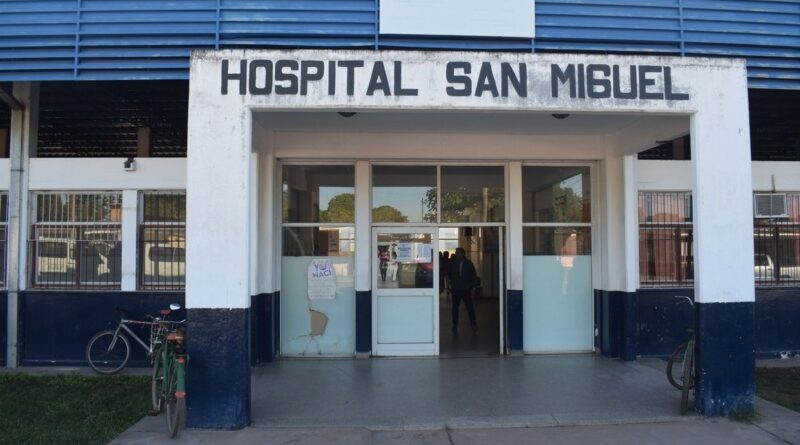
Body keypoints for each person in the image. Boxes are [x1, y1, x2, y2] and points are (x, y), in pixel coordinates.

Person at [449, 247, 478, 333]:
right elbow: (449, 273)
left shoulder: (468, 263)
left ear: (462, 254)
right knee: (455, 308)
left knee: (470, 308)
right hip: (456, 289)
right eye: (456, 252)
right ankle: (455, 324)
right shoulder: (453, 263)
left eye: (458, 253)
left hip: (466, 289)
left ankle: (473, 324)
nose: (456, 254)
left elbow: (473, 275)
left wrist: (473, 287)